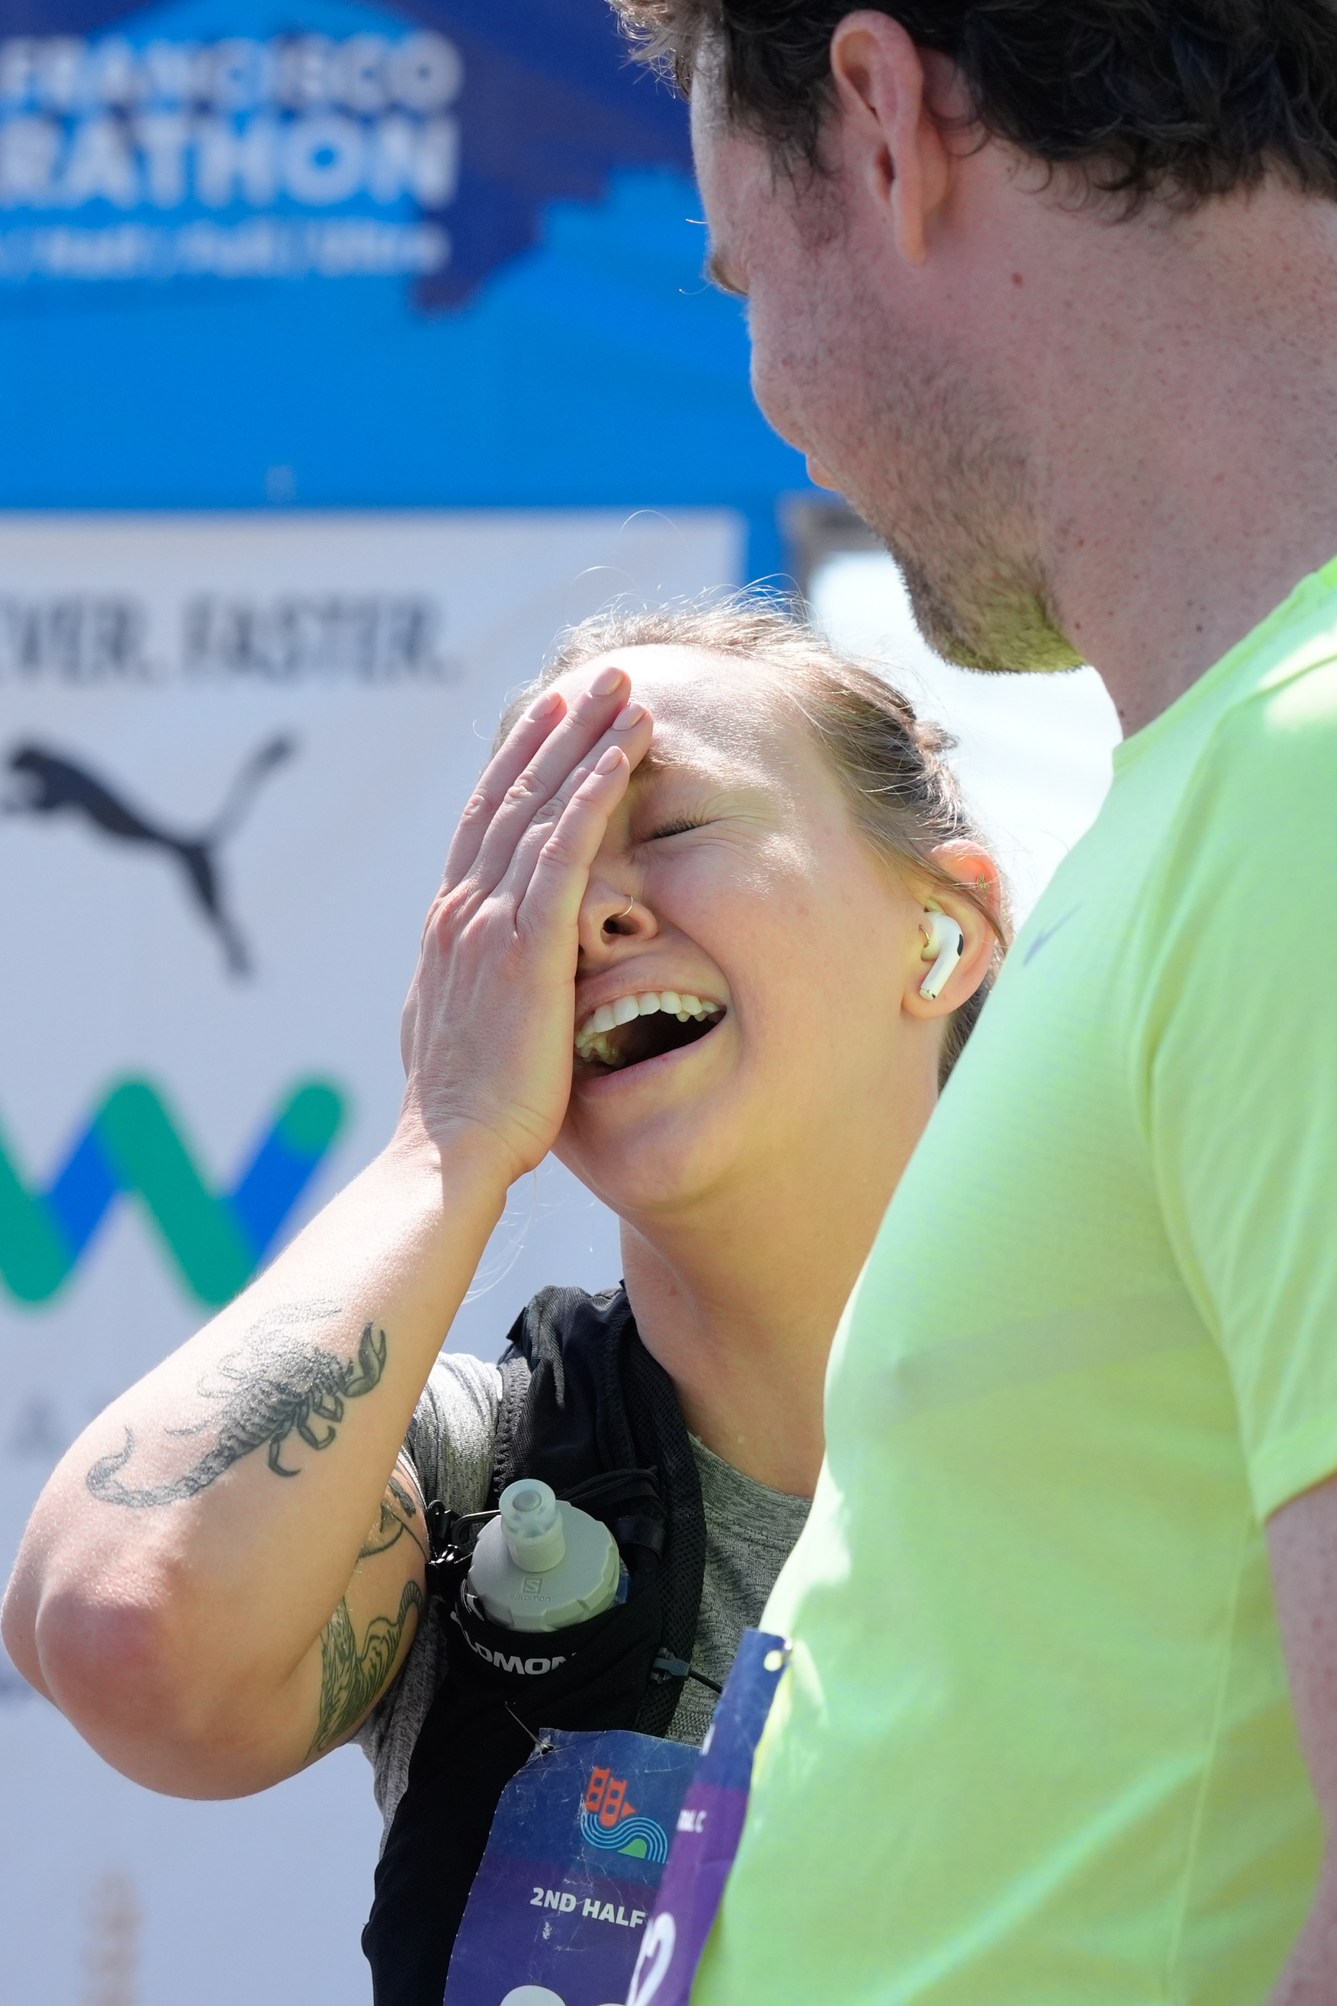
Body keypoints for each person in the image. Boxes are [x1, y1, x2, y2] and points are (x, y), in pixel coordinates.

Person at [604, 3, 1337, 2001]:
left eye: (744, 276)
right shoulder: (1222, 787)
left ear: (879, 112)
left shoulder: (1308, 779)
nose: (767, 390)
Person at [0, 600, 1002, 2002]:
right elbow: (129, 1637)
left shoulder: (1186, 1427)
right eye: (528, 871)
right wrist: (448, 1140)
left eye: (661, 826)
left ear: (941, 935)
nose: (585, 914)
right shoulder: (478, 1465)